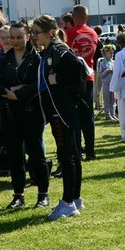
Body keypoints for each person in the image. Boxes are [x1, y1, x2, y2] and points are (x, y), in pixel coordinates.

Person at [0, 21, 49, 209]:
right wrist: (9, 92)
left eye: (18, 37)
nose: (14, 41)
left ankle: (43, 194)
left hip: (32, 113)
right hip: (10, 113)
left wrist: (20, 93)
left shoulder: (37, 58)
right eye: (10, 37)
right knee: (15, 155)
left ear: (27, 36)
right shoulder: (4, 59)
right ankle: (18, 195)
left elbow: (41, 83)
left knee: (36, 154)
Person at [32, 15, 84, 220]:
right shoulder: (49, 50)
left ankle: (68, 202)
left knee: (66, 156)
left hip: (61, 111)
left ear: (49, 32)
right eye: (33, 33)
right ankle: (75, 197)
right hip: (58, 110)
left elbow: (77, 65)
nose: (34, 36)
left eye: (37, 32)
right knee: (71, 154)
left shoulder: (58, 49)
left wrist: (58, 78)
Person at [64, 5, 98, 160]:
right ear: (87, 17)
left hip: (72, 79)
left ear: (73, 17)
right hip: (88, 77)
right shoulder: (92, 33)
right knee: (88, 116)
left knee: (74, 116)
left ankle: (77, 149)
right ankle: (91, 151)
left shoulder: (68, 33)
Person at [97, 44, 117, 121]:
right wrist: (107, 71)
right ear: (105, 53)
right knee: (107, 99)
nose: (112, 55)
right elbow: (100, 75)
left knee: (113, 99)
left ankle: (113, 114)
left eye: (113, 53)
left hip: (113, 83)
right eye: (110, 53)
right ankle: (108, 115)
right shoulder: (103, 63)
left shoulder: (113, 62)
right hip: (106, 83)